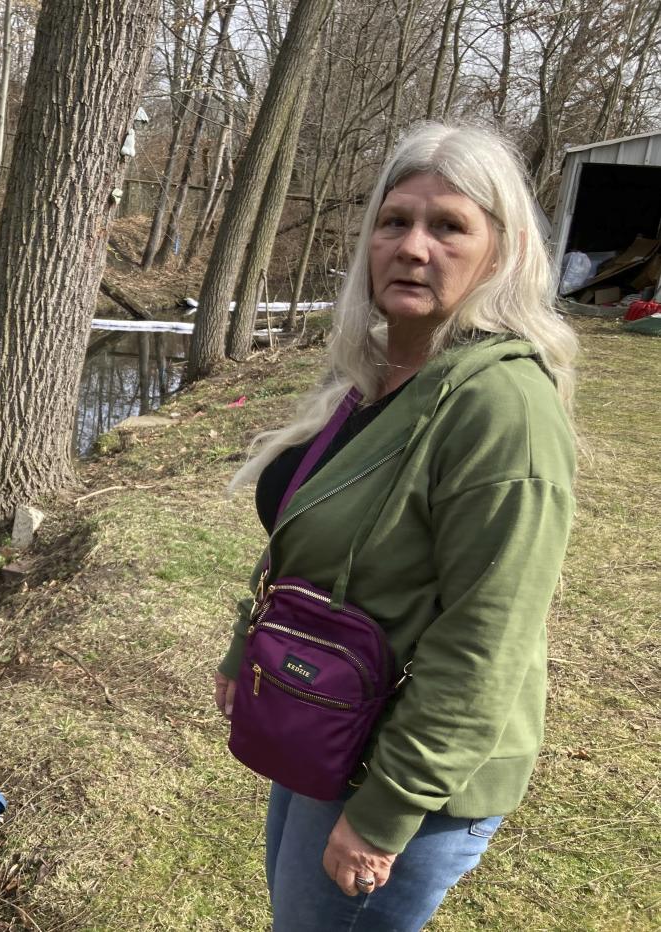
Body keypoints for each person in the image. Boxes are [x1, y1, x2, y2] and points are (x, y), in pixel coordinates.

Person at [213, 123, 578, 931]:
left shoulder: (503, 409)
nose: (414, 247)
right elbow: (304, 530)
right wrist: (249, 643)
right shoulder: (378, 371)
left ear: (501, 251)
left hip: (405, 768)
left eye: (449, 227)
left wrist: (384, 815)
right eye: (394, 221)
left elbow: (487, 642)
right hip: (331, 718)